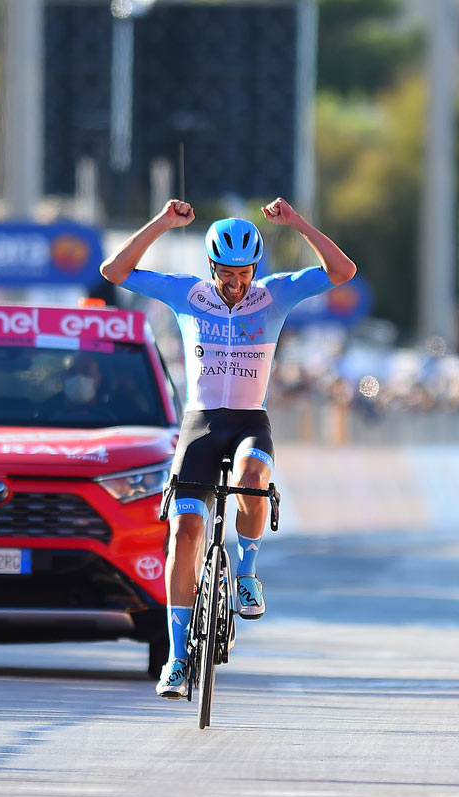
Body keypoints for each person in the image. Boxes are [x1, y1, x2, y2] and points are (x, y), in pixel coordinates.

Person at [100, 196, 357, 699]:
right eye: (226, 272)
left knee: (252, 475)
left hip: (248, 421)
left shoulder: (275, 295)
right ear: (211, 265)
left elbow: (342, 270)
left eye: (244, 272)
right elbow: (115, 270)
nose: (235, 282)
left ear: (255, 267)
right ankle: (176, 657)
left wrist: (299, 222)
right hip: (200, 422)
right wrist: (164, 222)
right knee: (185, 532)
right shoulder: (187, 294)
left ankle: (247, 573)